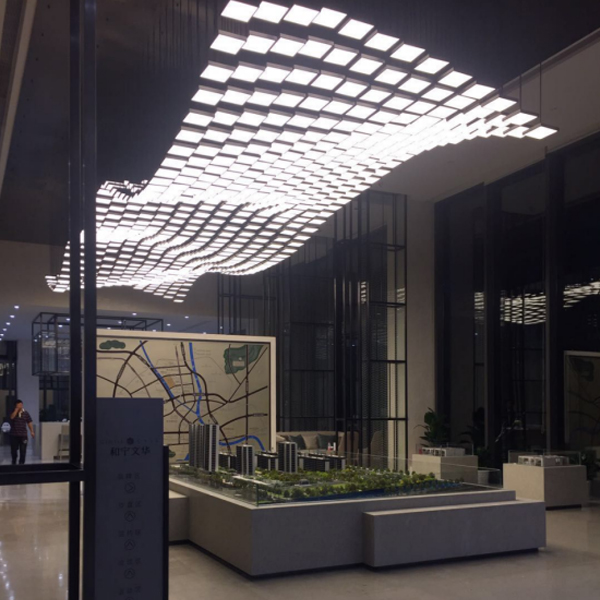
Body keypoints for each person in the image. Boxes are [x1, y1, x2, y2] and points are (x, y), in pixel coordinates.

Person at [9, 400, 34, 465]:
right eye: (18, 405)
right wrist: (16, 411)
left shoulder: (25, 413)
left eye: (21, 405)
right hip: (14, 435)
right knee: (14, 451)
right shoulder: (12, 412)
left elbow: (29, 422)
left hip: (23, 435)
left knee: (23, 451)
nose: (20, 406)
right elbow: (11, 417)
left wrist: (32, 431)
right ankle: (14, 462)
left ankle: (21, 464)